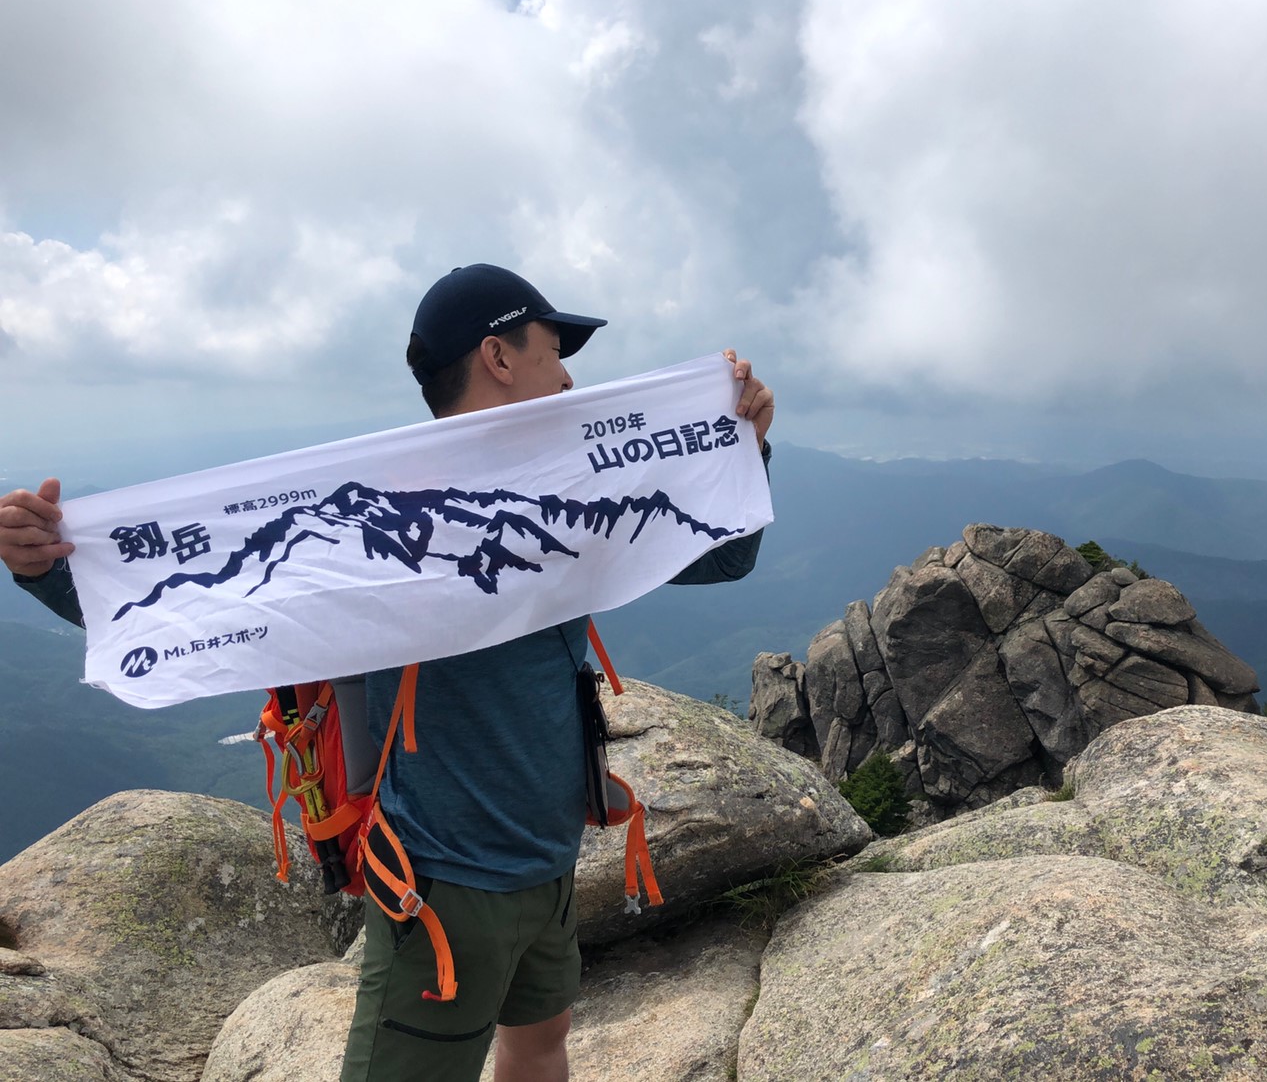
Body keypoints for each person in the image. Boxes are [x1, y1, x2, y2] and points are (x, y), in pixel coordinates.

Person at [0, 263, 775, 1082]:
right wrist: (42, 566)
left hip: (550, 857)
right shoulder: (369, 523)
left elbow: (722, 557)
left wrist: (744, 447)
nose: (568, 377)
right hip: (441, 883)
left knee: (541, 1044)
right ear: (498, 357)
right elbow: (201, 608)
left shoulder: (569, 492)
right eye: (552, 351)